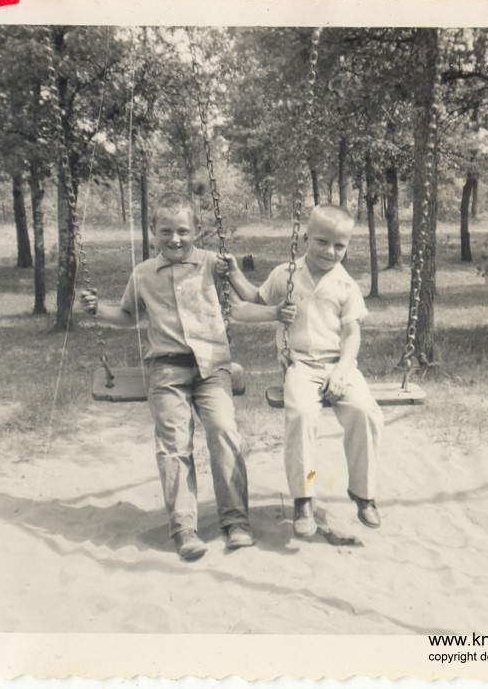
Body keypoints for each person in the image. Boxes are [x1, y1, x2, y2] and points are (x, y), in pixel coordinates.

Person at [79, 193, 272, 561]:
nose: (175, 239)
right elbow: (127, 315)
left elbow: (248, 300)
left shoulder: (214, 264)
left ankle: (236, 522)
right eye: (166, 231)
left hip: (212, 366)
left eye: (183, 230)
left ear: (197, 231)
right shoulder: (142, 274)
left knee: (224, 431)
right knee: (174, 443)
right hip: (166, 369)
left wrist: (238, 276)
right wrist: (97, 311)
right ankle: (184, 527)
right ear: (153, 232)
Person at [223, 204, 384, 538]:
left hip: (339, 364)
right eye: (322, 241)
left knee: (365, 412)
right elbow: (259, 297)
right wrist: (234, 272)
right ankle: (304, 497)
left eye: (340, 245)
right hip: (300, 364)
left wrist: (341, 372)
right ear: (306, 237)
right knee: (301, 415)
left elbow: (353, 335)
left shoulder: (345, 284)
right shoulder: (287, 274)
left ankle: (363, 492)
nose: (330, 251)